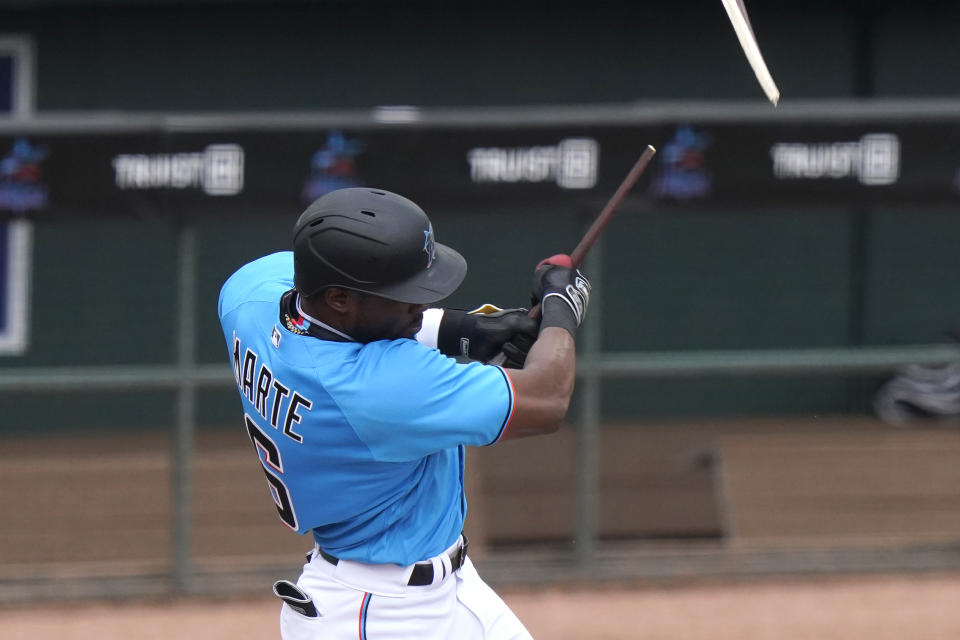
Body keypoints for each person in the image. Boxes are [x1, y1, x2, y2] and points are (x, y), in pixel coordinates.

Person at [217, 187, 591, 639]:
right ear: (338, 297)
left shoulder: (249, 296)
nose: (422, 303)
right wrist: (560, 310)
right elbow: (547, 398)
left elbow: (332, 323)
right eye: (405, 294)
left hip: (444, 585)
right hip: (380, 613)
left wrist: (464, 328)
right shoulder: (381, 388)